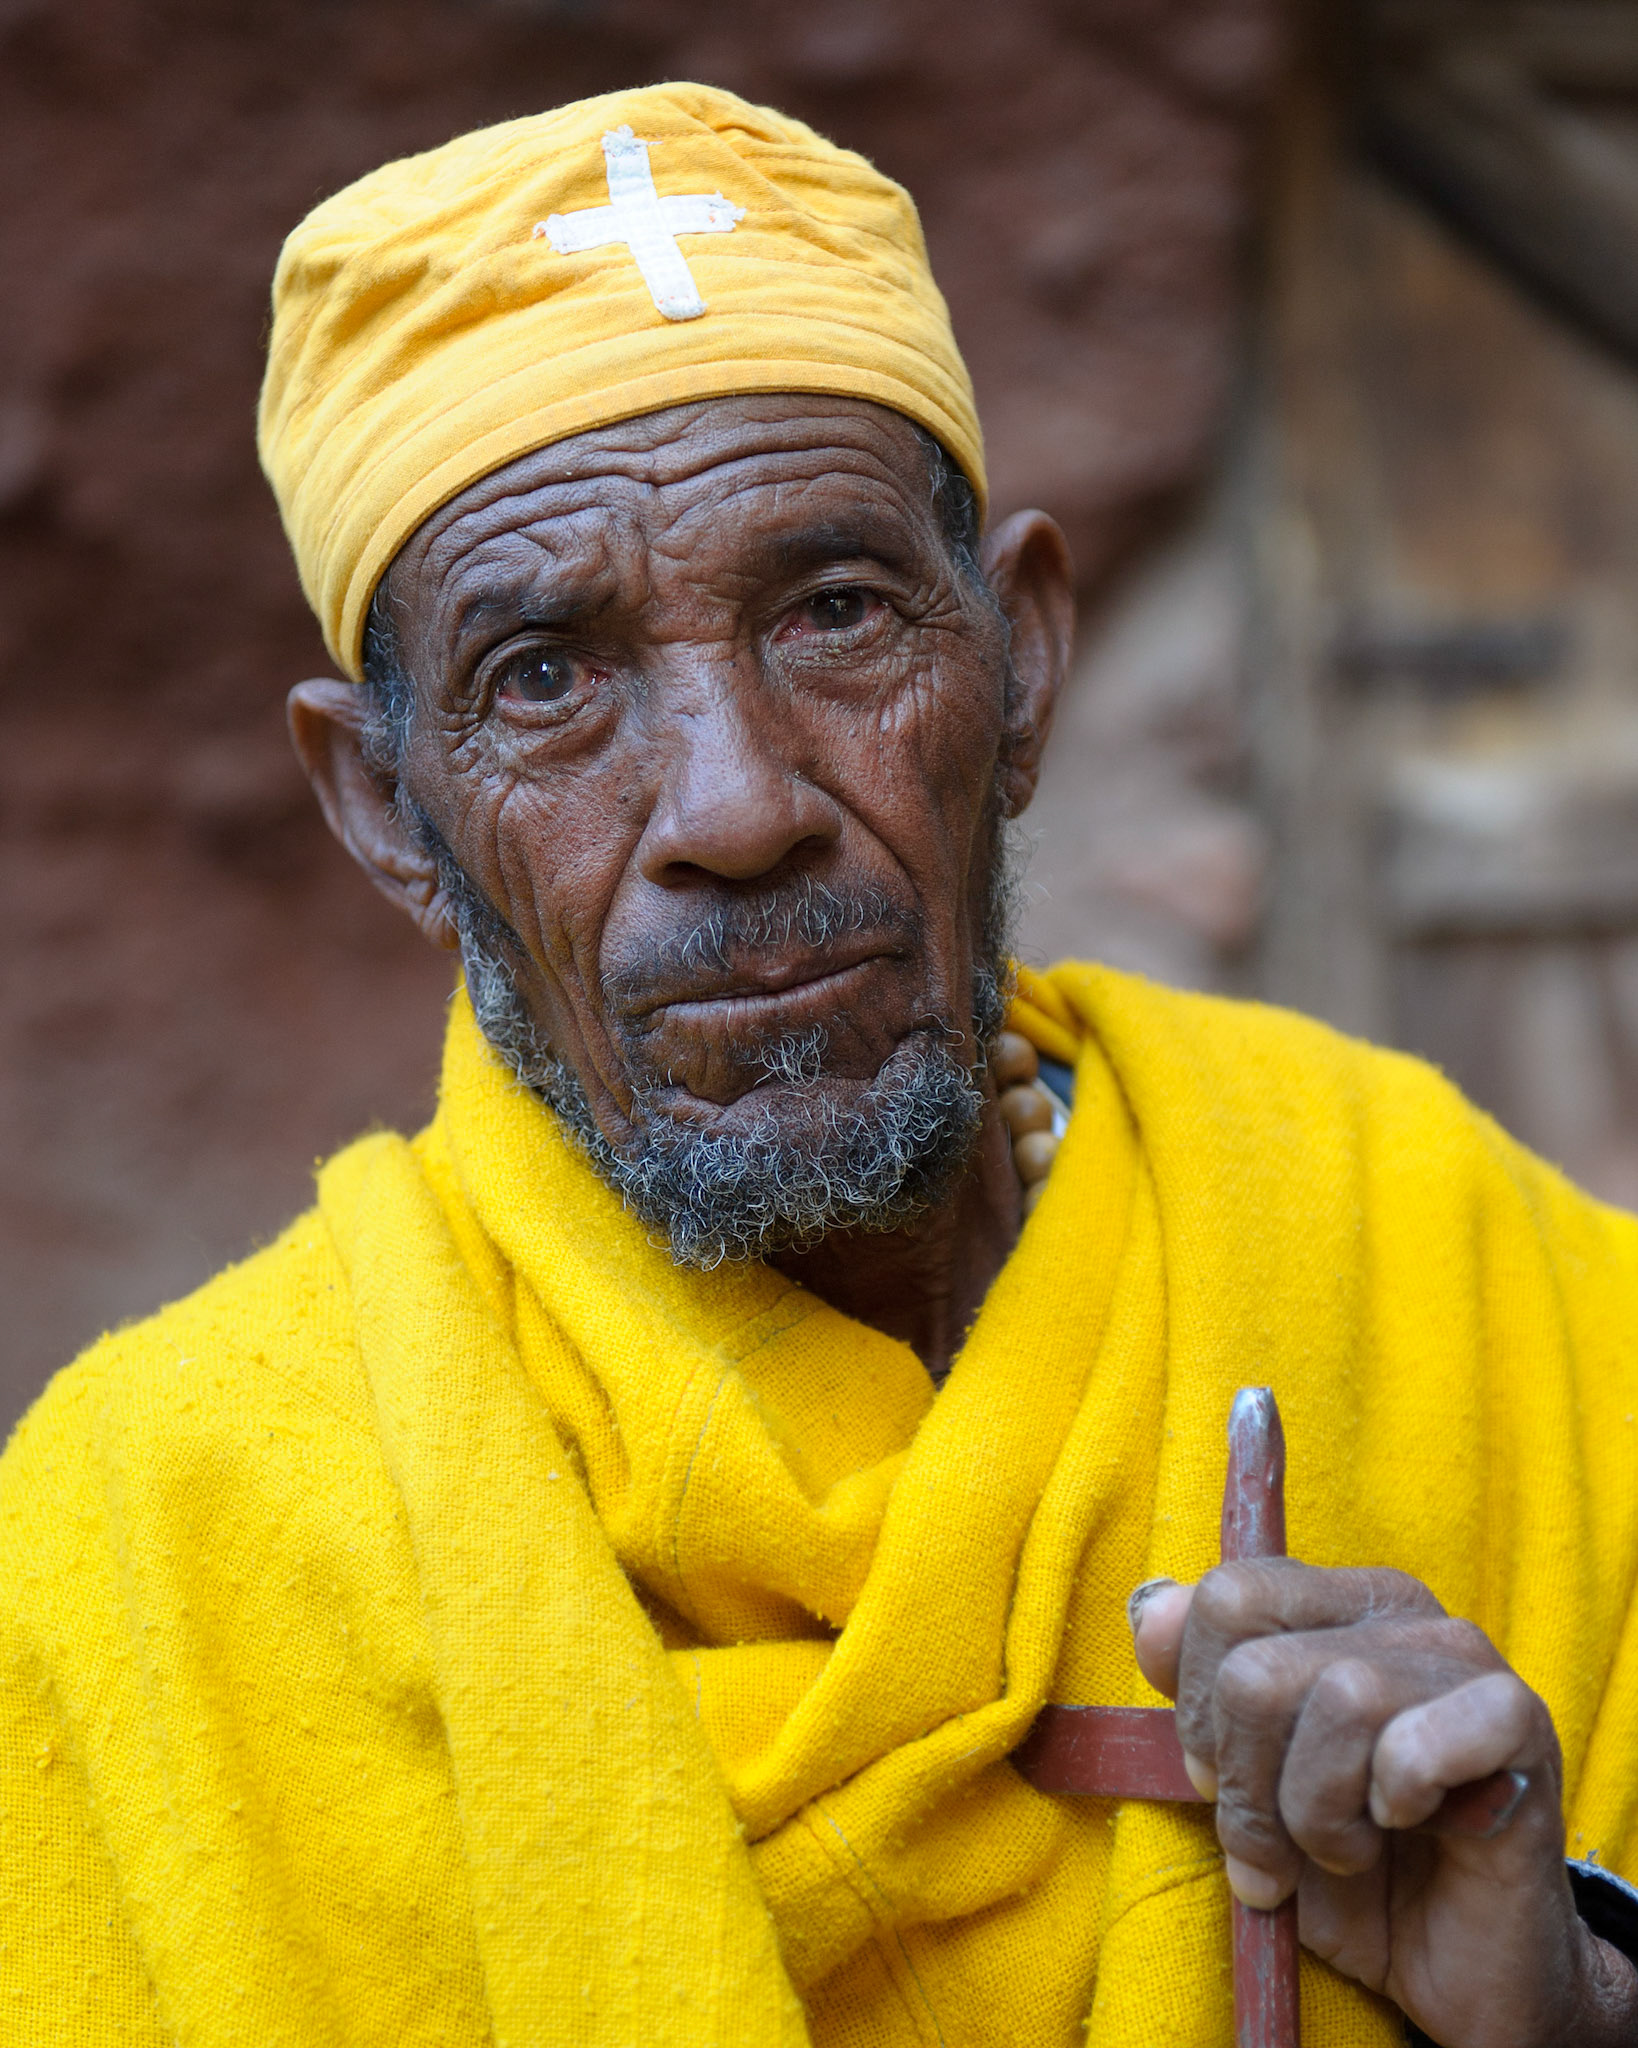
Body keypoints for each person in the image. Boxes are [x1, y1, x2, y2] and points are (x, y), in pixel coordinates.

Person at [3, 81, 1638, 2048]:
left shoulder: (1452, 1261)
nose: (737, 802)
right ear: (383, 810)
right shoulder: (150, 1548)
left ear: (1018, 666)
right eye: (548, 676)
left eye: (840, 612)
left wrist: (1569, 2008)